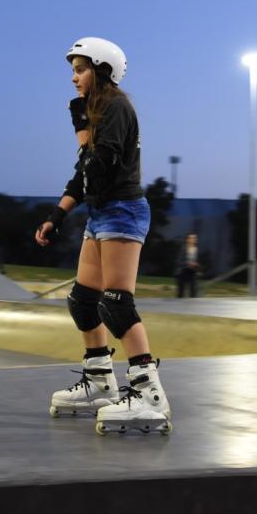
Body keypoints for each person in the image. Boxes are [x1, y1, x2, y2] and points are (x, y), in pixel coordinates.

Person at [35, 37, 171, 435]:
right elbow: (84, 175)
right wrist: (57, 215)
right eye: (73, 71)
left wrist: (80, 127)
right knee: (83, 301)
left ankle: (150, 396)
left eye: (80, 69)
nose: (74, 78)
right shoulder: (101, 111)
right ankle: (99, 382)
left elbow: (96, 167)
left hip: (123, 211)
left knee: (116, 304)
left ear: (103, 70)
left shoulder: (116, 108)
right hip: (101, 213)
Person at [176, 233, 200, 298]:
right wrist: (188, 263)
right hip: (183, 272)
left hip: (192, 272)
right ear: (187, 239)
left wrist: (196, 265)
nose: (193, 240)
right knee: (181, 293)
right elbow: (179, 261)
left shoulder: (196, 249)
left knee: (194, 291)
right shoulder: (183, 248)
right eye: (191, 238)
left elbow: (196, 261)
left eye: (194, 238)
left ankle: (193, 305)